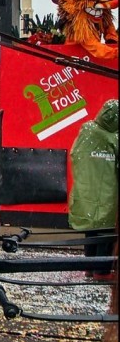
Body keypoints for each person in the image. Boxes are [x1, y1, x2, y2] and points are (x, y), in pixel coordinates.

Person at [68, 99, 118, 280]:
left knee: (91, 228)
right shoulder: (114, 138)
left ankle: (88, 267)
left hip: (86, 188)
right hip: (107, 191)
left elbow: (75, 153)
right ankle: (102, 271)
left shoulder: (87, 129)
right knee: (106, 230)